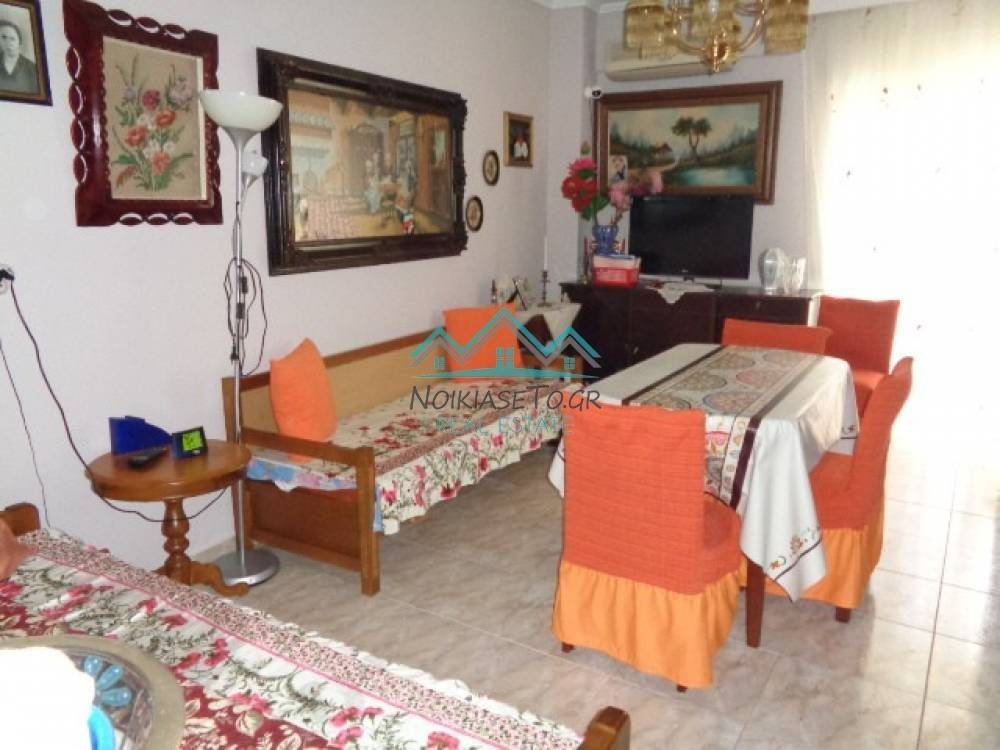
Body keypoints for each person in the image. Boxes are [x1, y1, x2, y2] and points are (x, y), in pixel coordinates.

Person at [0, 20, 38, 95]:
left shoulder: (32, 69)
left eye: (12, 38)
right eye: (4, 37)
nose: (8, 43)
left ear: (19, 42)